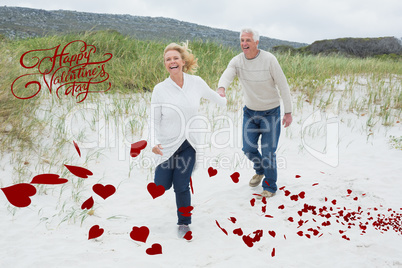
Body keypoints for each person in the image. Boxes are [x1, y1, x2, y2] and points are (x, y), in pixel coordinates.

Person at [149, 42, 226, 238]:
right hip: (167, 144)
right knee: (162, 185)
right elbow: (153, 119)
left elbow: (214, 97)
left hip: (189, 144)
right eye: (168, 59)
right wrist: (153, 141)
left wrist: (222, 97)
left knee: (181, 185)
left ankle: (184, 223)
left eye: (175, 58)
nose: (172, 62)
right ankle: (171, 180)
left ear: (183, 62)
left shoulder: (197, 82)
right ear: (165, 64)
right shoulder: (160, 89)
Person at [217, 28, 292, 199]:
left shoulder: (269, 60)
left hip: (271, 113)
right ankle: (260, 170)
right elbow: (227, 74)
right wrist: (222, 88)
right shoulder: (237, 61)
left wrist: (288, 112)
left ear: (256, 42)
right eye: (242, 40)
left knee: (268, 151)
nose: (244, 43)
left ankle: (270, 186)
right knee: (248, 148)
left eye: (248, 40)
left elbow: (283, 85)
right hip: (250, 113)